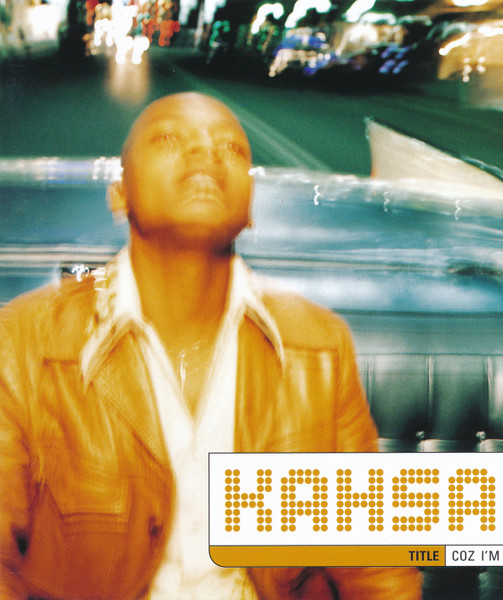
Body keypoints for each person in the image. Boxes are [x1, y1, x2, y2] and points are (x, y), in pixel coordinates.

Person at [0, 92, 422, 599]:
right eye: (169, 138)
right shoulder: (23, 341)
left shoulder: (320, 346)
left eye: (232, 148)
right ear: (119, 194)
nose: (206, 152)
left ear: (250, 209)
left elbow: (375, 564)